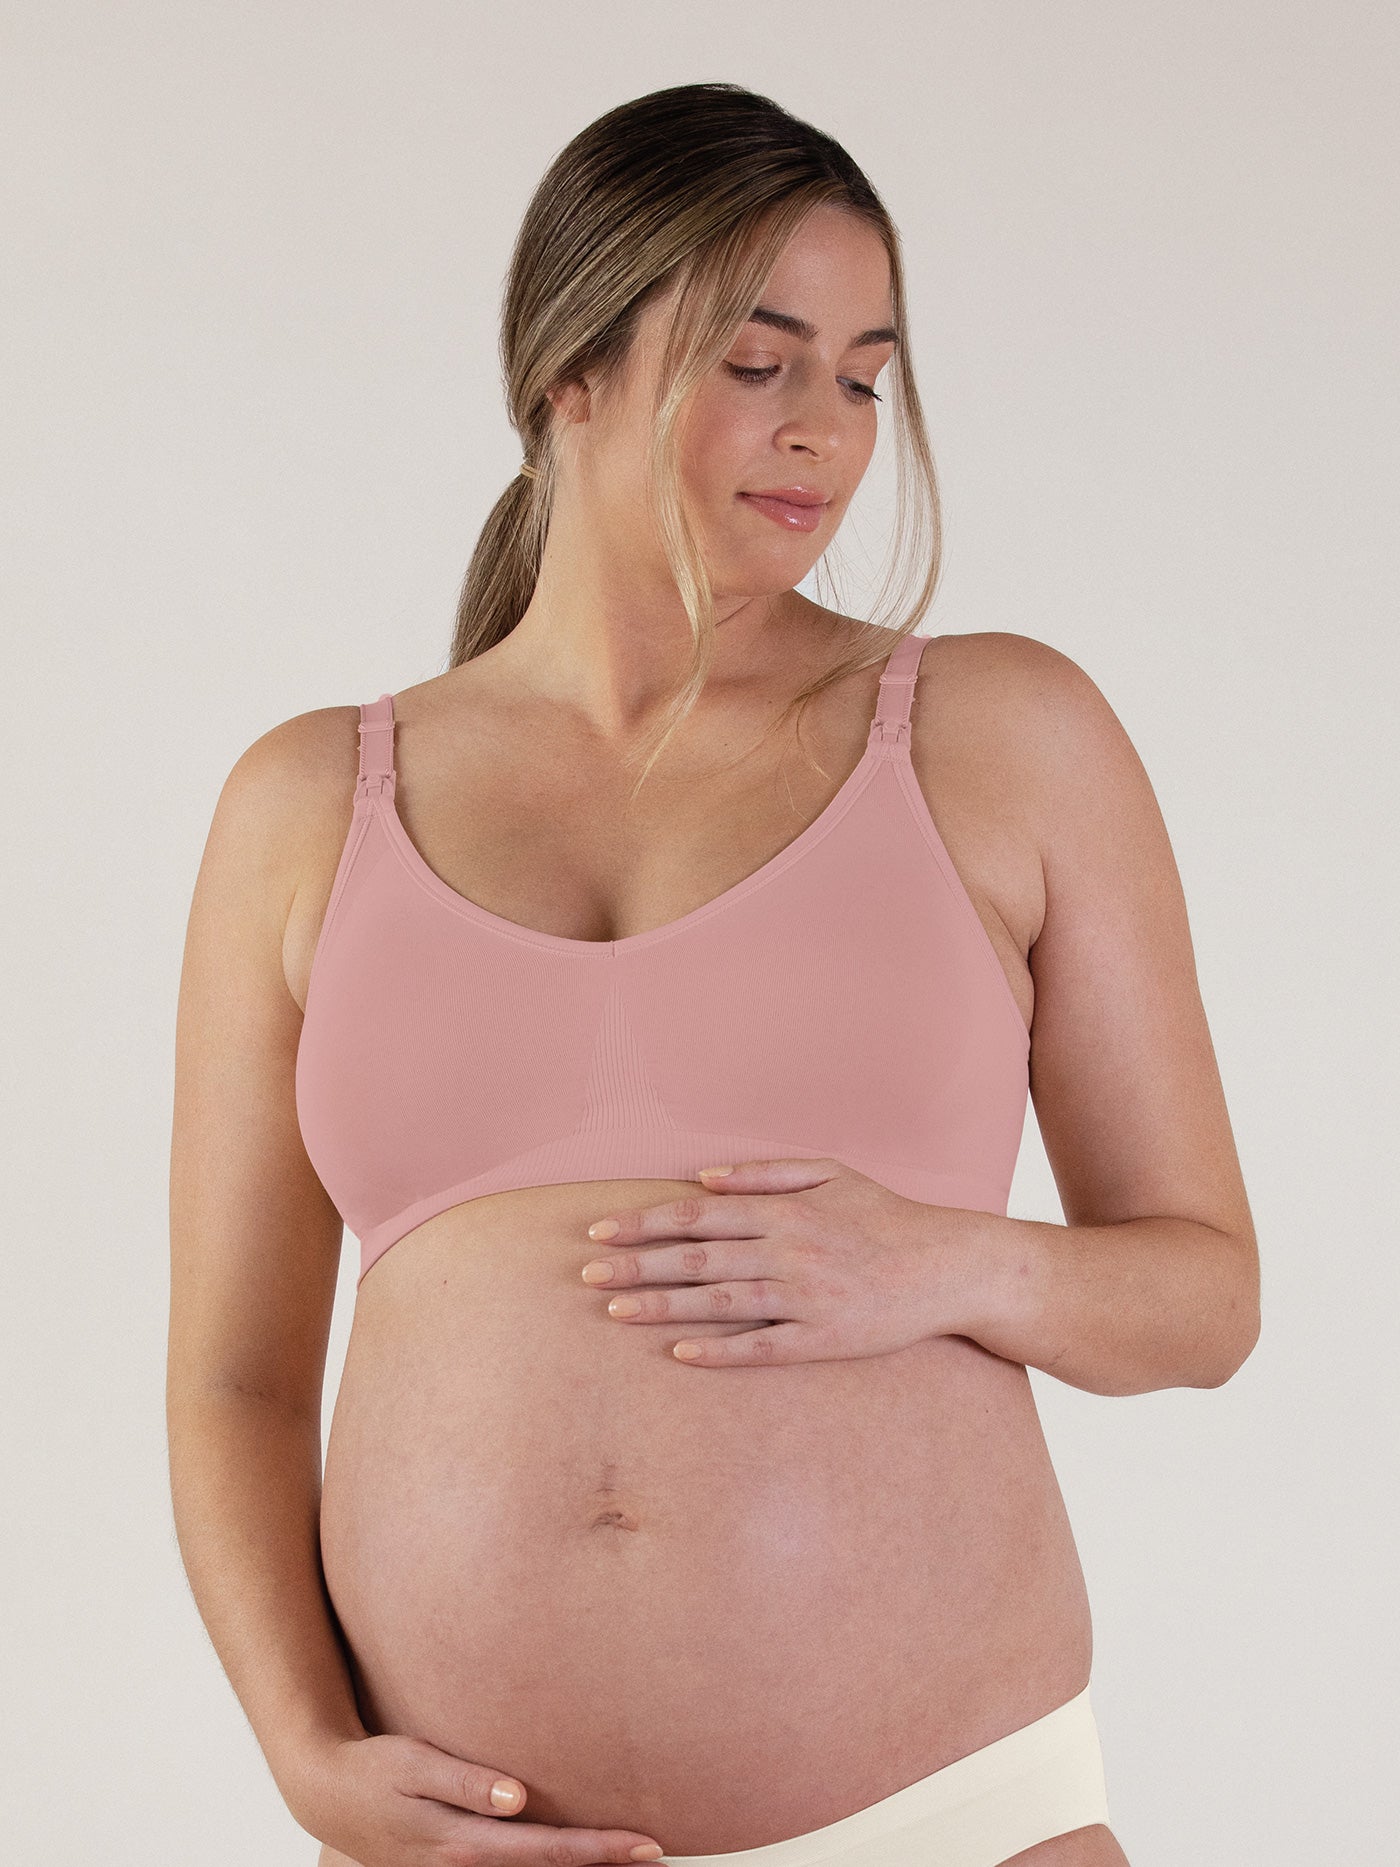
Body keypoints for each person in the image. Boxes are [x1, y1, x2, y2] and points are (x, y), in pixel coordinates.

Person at [168, 82, 1259, 1867]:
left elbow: (1206, 1295)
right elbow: (236, 1380)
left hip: (949, 1817)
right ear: (568, 372)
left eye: (866, 378)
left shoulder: (1003, 736)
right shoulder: (306, 803)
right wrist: (303, 1751)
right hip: (469, 1842)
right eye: (760, 363)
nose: (823, 429)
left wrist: (947, 1263)